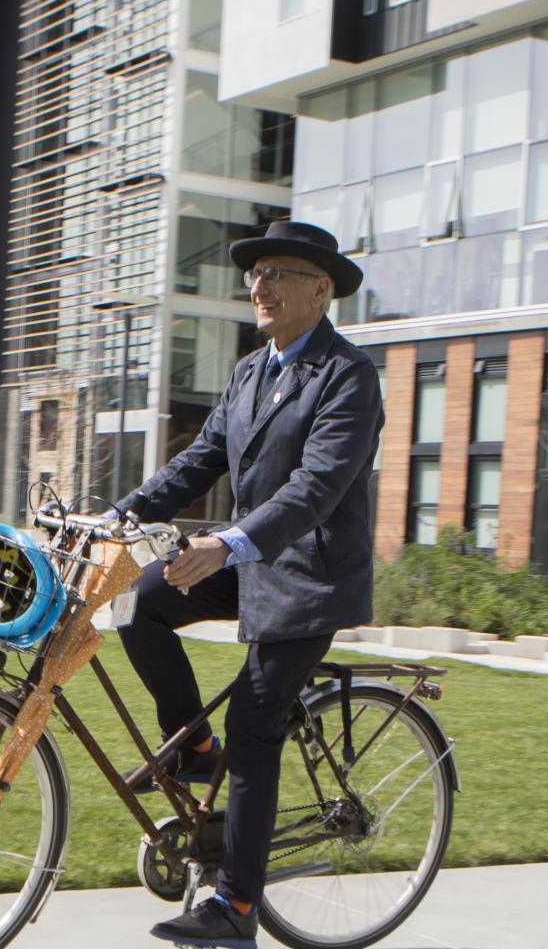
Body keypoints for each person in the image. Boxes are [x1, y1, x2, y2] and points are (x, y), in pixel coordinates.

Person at [113, 220, 383, 948]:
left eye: (275, 273)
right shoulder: (249, 372)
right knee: (138, 602)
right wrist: (118, 515)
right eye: (254, 273)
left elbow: (316, 488)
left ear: (319, 289)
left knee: (256, 727)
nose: (256, 286)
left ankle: (235, 908)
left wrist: (226, 542)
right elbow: (199, 461)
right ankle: (193, 752)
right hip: (247, 563)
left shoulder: (348, 375)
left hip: (308, 576)